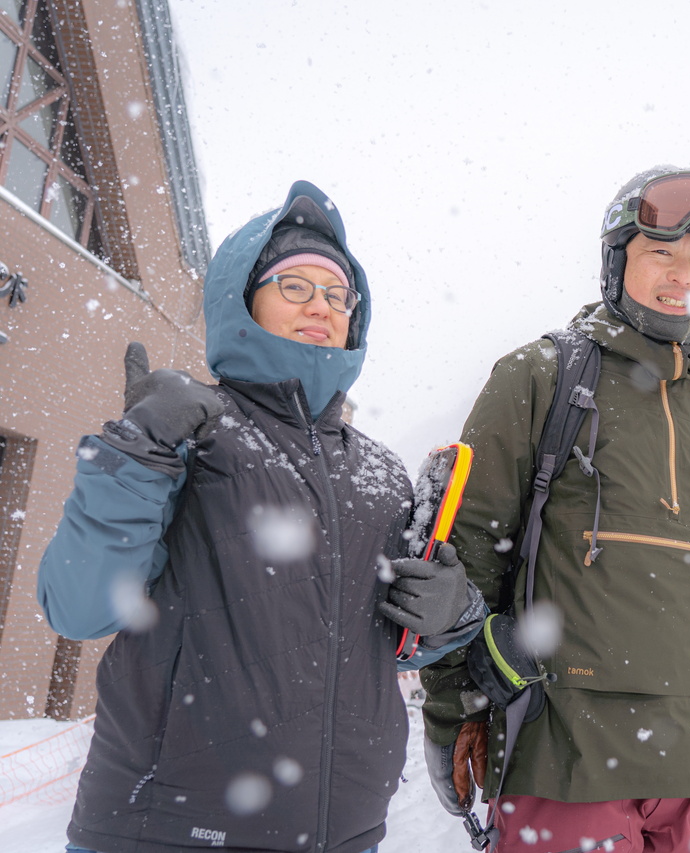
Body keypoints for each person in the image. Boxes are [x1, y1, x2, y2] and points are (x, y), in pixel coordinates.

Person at [38, 180, 483, 853]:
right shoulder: (193, 430)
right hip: (164, 831)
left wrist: (452, 614)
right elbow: (79, 606)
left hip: (345, 833)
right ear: (244, 300)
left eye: (337, 295)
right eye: (295, 286)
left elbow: (385, 650)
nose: (321, 307)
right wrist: (134, 456)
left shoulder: (381, 473)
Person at [418, 166, 690, 852]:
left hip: (686, 759)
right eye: (659, 253)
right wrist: (455, 714)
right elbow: (466, 557)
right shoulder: (543, 374)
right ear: (616, 260)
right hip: (562, 750)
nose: (681, 275)